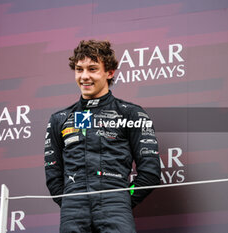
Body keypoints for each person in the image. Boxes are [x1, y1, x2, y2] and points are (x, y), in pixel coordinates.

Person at [44, 40, 161, 233]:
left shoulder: (130, 114)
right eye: (79, 69)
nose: (84, 76)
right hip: (73, 212)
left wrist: (121, 199)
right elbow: (53, 177)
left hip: (116, 207)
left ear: (110, 72)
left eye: (92, 69)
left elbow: (150, 173)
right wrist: (72, 201)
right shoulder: (60, 119)